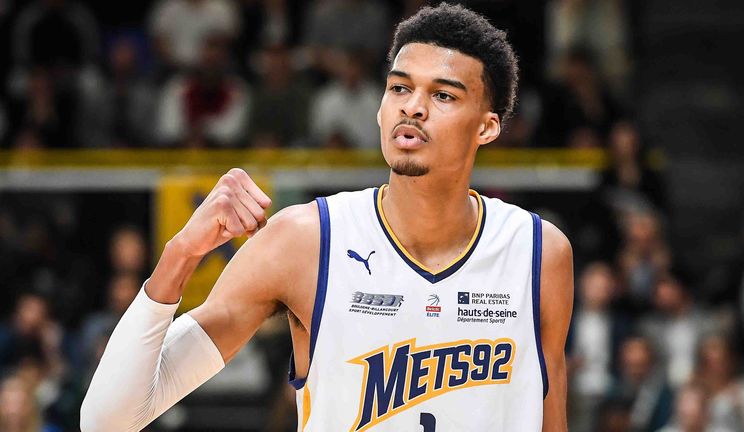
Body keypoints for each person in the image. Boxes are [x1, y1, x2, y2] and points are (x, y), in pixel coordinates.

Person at [81, 4, 573, 431]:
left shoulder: (539, 252)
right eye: (399, 88)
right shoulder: (304, 241)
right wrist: (181, 254)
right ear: (380, 109)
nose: (414, 108)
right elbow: (108, 420)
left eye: (443, 95)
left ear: (487, 127)